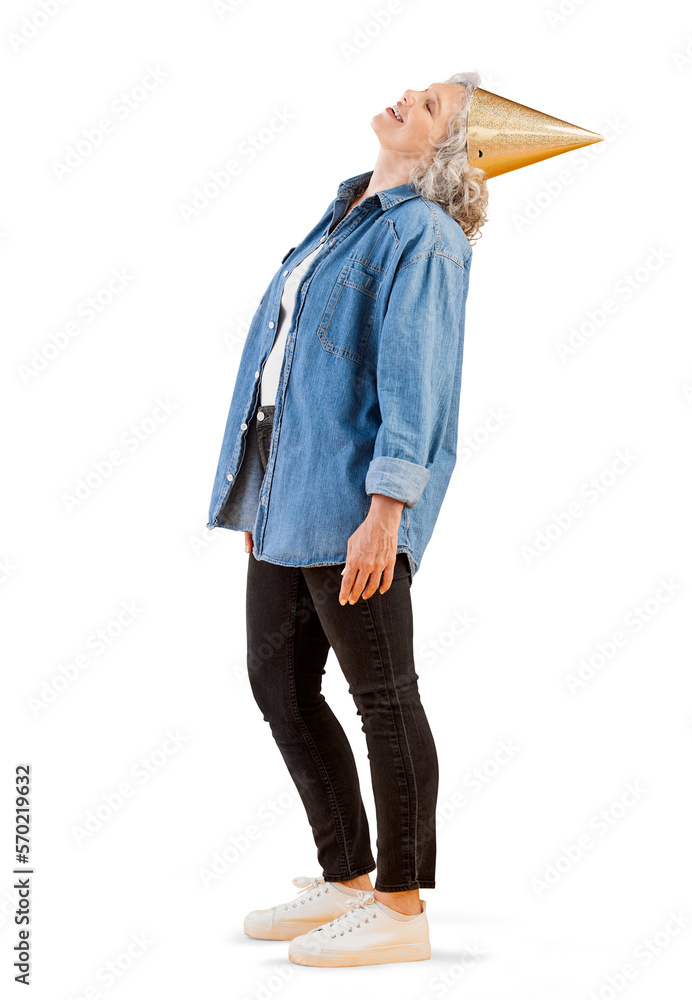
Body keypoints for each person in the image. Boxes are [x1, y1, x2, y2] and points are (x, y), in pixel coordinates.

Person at [206, 70, 488, 968]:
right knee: (277, 685)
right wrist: (260, 487)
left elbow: (416, 385)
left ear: (448, 150)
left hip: (359, 505)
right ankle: (348, 878)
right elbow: (289, 363)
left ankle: (402, 909)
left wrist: (387, 512)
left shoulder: (426, 237)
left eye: (434, 104)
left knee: (383, 697)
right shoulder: (345, 217)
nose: (411, 96)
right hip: (291, 497)